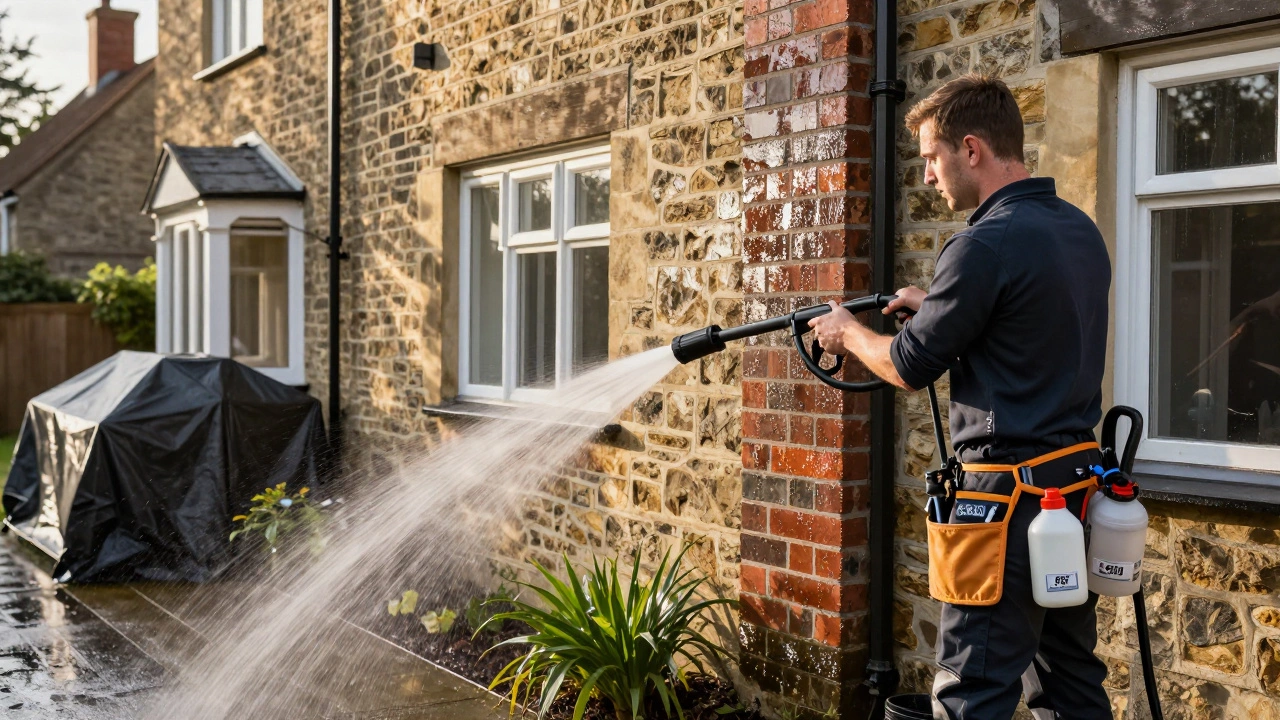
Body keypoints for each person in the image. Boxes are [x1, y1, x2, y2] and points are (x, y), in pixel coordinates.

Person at [807, 74, 1113, 720]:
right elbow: (1026, 326)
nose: (927, 176)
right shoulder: (1077, 230)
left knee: (971, 694)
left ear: (971, 149)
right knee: (1071, 687)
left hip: (1005, 512)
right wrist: (939, 307)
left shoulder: (980, 244)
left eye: (931, 157)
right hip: (1074, 498)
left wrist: (847, 332)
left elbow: (908, 365)